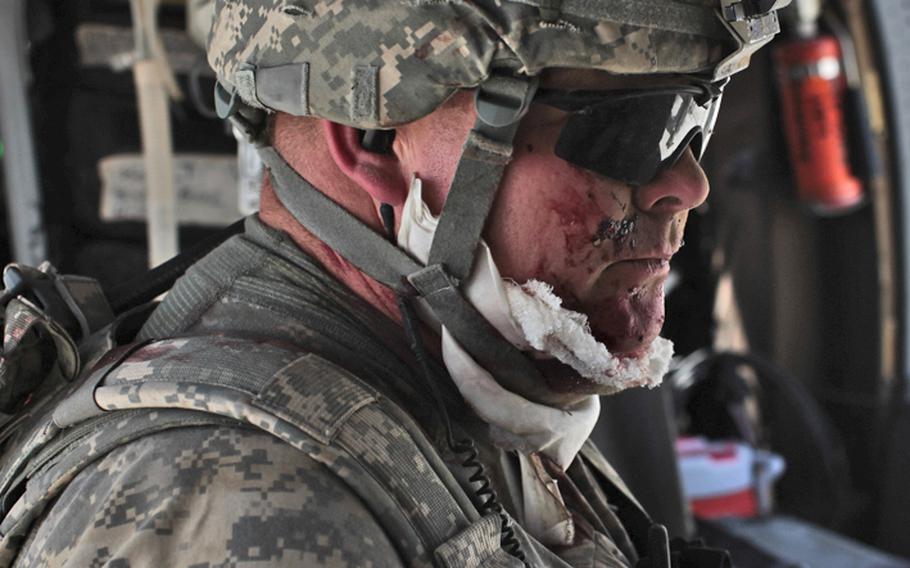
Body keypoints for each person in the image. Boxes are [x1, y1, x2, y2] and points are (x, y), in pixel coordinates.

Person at [0, 1, 789, 566]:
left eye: (699, 118)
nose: (687, 184)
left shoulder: (474, 383)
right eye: (635, 127)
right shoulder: (235, 498)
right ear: (372, 136)